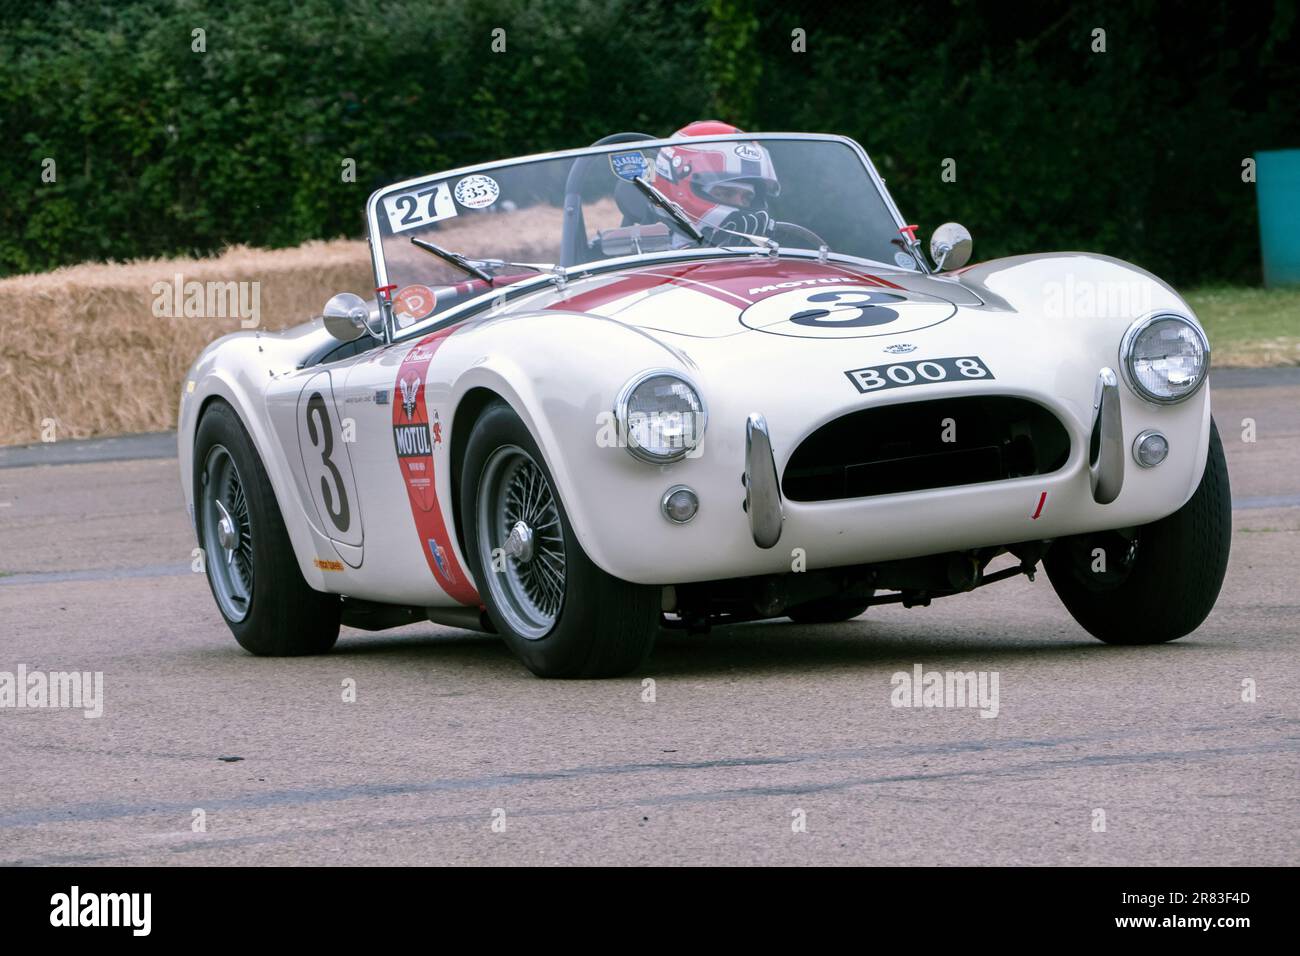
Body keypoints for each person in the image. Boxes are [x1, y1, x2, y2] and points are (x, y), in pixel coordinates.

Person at [649, 120, 782, 241]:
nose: (739, 204)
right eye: (726, 193)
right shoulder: (641, 251)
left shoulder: (766, 255)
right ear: (678, 189)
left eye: (747, 198)